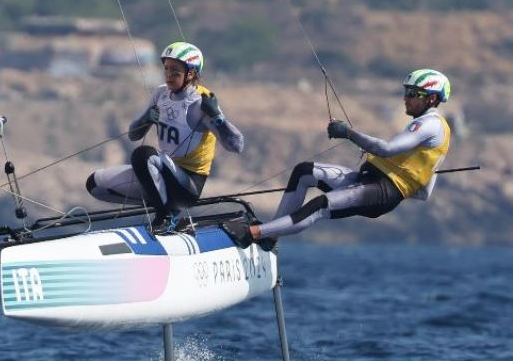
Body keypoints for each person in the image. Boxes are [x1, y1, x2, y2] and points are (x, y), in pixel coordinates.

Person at [226, 69, 452, 249]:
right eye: (406, 92)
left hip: (381, 191)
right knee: (305, 172)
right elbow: (424, 193)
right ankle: (270, 236)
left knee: (320, 205)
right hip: (367, 180)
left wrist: (348, 133)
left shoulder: (430, 124)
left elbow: (386, 149)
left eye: (412, 94)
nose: (406, 99)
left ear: (431, 98)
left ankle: (253, 233)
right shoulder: (426, 126)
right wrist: (411, 178)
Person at [86, 41, 244, 227]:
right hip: (159, 174)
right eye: (166, 69)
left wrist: (217, 117)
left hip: (187, 185)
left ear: (191, 73)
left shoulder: (200, 103)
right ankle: (163, 203)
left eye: (175, 71)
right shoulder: (160, 94)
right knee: (95, 184)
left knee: (143, 155)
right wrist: (145, 120)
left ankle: (164, 218)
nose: (168, 75)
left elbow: (237, 146)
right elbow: (133, 135)